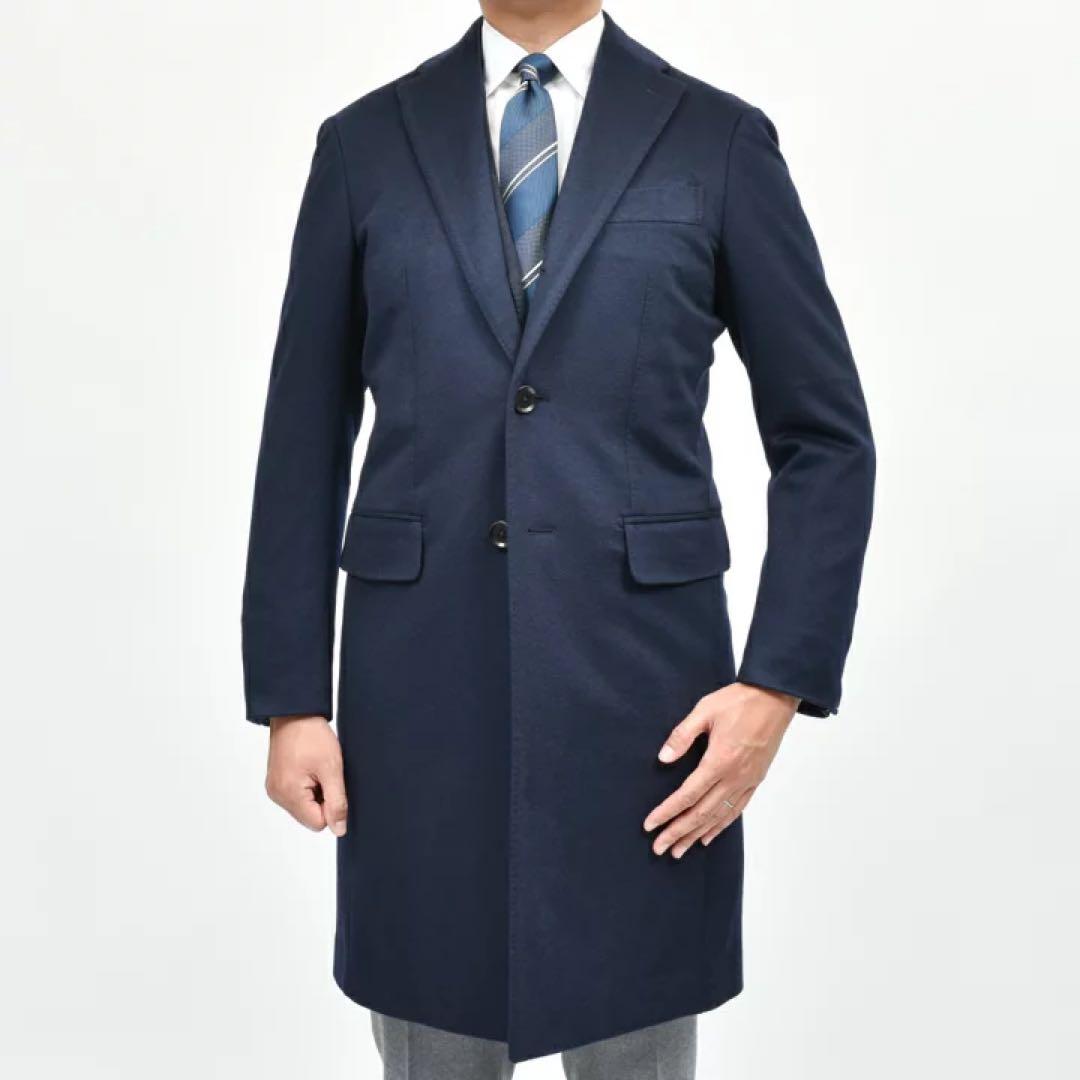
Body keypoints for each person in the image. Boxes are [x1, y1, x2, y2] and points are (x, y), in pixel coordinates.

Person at [241, 1, 875, 1076]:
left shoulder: (716, 140)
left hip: (648, 713)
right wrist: (292, 698)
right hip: (418, 707)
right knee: (432, 1036)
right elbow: (301, 440)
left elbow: (826, 438)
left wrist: (777, 684)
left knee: (636, 1039)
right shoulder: (365, 146)